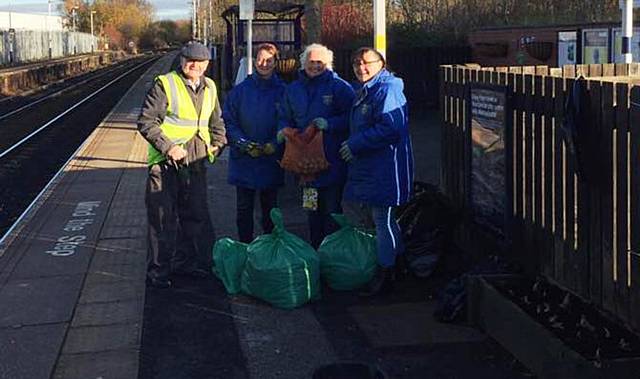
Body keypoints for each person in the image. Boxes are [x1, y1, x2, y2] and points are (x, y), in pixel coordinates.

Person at [137, 41, 227, 288]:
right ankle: (158, 272)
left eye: (200, 62)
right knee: (163, 218)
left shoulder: (210, 86)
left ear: (207, 64)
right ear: (182, 61)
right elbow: (146, 122)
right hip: (166, 164)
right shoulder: (164, 84)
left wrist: (218, 144)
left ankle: (186, 264)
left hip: (196, 161)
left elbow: (216, 121)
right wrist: (168, 147)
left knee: (194, 216)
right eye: (190, 61)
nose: (195, 66)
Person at [341, 47, 414, 296]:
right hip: (375, 166)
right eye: (356, 64)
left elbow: (391, 128)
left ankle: (386, 274)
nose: (361, 68)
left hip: (387, 167)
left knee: (383, 219)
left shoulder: (388, 89)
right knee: (385, 220)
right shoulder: (368, 89)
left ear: (381, 63)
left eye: (366, 63)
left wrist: (355, 144)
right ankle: (398, 265)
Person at [278, 43, 355, 249]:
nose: (315, 66)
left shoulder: (340, 87)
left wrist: (331, 124)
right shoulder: (293, 90)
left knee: (331, 211)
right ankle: (315, 253)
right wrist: (283, 129)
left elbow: (352, 117)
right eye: (311, 62)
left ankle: (333, 254)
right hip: (304, 168)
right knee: (311, 211)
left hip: (331, 164)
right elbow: (284, 116)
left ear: (328, 64)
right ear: (304, 63)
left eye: (320, 62)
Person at [223, 43, 286, 243]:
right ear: (254, 61)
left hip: (271, 160)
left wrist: (275, 144)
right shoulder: (240, 91)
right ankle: (245, 247)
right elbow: (229, 121)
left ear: (276, 62)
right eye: (260, 59)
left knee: (271, 209)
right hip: (244, 160)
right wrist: (242, 143)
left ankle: (269, 250)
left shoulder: (284, 91)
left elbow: (287, 121)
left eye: (269, 60)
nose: (264, 64)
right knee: (244, 209)